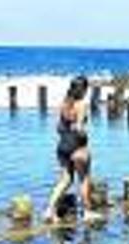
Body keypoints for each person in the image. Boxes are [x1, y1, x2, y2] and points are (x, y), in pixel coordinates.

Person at [45, 76, 100, 224]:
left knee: (65, 180)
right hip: (77, 147)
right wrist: (83, 134)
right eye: (86, 89)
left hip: (62, 146)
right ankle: (87, 212)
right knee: (84, 180)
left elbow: (59, 127)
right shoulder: (81, 104)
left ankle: (49, 210)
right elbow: (79, 128)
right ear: (83, 89)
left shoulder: (65, 103)